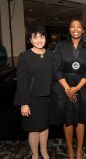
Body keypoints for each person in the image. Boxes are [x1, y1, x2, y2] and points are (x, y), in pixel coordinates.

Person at [49, 19, 86, 159]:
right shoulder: (60, 46)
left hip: (82, 87)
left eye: (79, 26)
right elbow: (57, 70)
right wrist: (69, 89)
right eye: (72, 26)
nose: (75, 29)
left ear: (83, 30)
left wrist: (76, 89)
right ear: (69, 30)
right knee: (67, 119)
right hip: (64, 87)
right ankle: (70, 150)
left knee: (81, 119)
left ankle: (79, 150)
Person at [14, 26, 54, 159]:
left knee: (44, 127)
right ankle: (35, 155)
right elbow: (21, 82)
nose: (39, 40)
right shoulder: (24, 56)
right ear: (30, 40)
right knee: (34, 129)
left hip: (47, 98)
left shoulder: (50, 54)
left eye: (42, 37)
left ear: (45, 38)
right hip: (32, 99)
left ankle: (44, 151)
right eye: (35, 37)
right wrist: (24, 103)